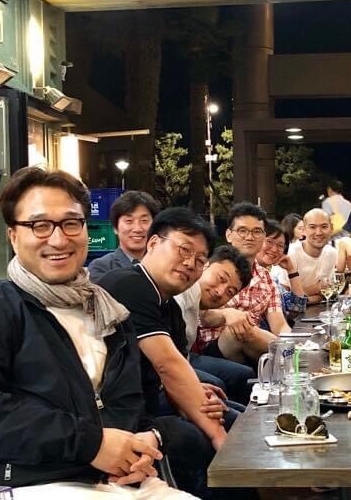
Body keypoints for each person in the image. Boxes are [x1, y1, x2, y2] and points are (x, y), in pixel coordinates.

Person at [0, 167, 190, 499]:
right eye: (39, 225)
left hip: (121, 481)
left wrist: (144, 440)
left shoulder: (111, 313)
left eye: (70, 223)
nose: (58, 239)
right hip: (30, 483)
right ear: (13, 236)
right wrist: (92, 444)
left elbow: (134, 404)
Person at [97, 208, 228, 497]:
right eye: (184, 249)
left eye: (200, 260)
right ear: (154, 243)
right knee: (204, 441)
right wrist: (219, 438)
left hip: (147, 406)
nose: (190, 263)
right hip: (114, 418)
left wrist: (198, 395)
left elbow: (173, 375)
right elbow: (167, 365)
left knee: (231, 417)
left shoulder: (170, 308)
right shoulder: (129, 284)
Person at [198, 202, 292, 364]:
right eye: (242, 231)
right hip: (211, 348)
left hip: (252, 348)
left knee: (256, 335)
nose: (249, 237)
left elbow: (279, 325)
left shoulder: (266, 277)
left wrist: (292, 339)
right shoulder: (212, 266)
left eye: (256, 232)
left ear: (263, 237)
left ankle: (288, 357)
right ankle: (290, 357)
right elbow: (202, 314)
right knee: (238, 330)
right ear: (229, 235)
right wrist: (228, 315)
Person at [174, 244, 255, 404]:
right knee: (216, 386)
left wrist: (227, 314)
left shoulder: (196, 300)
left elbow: (206, 316)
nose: (220, 291)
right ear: (204, 265)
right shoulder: (179, 293)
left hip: (184, 359)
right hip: (160, 375)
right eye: (221, 279)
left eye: (230, 292)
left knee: (243, 375)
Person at [88, 190, 160, 281]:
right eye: (129, 221)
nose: (137, 229)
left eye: (144, 221)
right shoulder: (101, 267)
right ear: (115, 228)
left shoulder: (163, 263)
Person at [257, 220, 308, 323]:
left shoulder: (271, 279)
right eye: (269, 242)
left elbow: (297, 308)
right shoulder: (246, 276)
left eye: (280, 246)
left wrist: (292, 270)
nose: (274, 249)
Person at [287, 208, 337, 304]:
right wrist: (317, 288)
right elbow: (284, 297)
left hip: (321, 311)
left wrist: (316, 297)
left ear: (331, 229)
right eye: (312, 227)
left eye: (324, 226)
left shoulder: (332, 253)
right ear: (304, 230)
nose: (318, 232)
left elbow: (331, 292)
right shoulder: (290, 253)